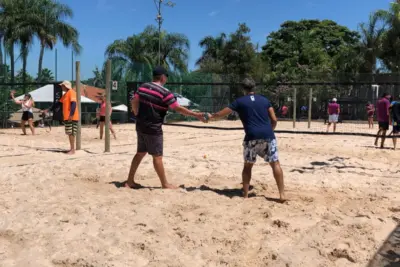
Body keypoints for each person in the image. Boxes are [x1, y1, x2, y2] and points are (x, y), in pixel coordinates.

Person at [126, 66, 207, 189]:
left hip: (140, 125)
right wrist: (196, 115)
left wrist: (136, 113)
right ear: (163, 77)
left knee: (140, 153)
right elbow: (178, 108)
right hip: (153, 127)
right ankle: (165, 184)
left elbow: (134, 101)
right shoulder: (165, 92)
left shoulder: (142, 87)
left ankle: (130, 181)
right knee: (157, 156)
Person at [208, 78, 286, 202]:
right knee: (275, 164)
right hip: (268, 135)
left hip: (251, 136)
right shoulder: (265, 100)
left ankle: (245, 194)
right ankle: (282, 194)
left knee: (248, 166)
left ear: (243, 89)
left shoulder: (239, 101)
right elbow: (274, 119)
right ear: (254, 87)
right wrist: (270, 131)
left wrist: (211, 116)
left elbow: (223, 113)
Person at [45, 80, 79, 154]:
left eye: (62, 86)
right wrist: (48, 110)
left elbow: (74, 104)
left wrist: (71, 115)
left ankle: (72, 150)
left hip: (72, 117)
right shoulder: (65, 95)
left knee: (71, 133)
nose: (61, 87)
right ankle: (71, 148)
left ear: (66, 86)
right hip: (67, 117)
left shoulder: (71, 92)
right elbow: (58, 104)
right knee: (69, 132)